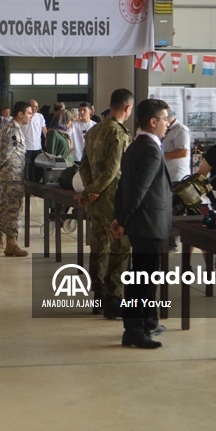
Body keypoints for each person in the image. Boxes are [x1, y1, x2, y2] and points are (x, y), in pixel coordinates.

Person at [111, 98, 172, 349]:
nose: (168, 124)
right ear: (153, 121)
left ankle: (147, 320)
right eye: (165, 119)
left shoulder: (136, 145)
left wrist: (119, 216)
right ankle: (133, 328)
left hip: (142, 222)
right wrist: (123, 220)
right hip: (147, 222)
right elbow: (138, 190)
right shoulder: (148, 148)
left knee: (145, 275)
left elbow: (122, 188)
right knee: (142, 278)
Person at [77, 89, 134, 318]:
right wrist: (95, 191)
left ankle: (98, 296)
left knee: (99, 248)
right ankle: (114, 299)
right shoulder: (118, 133)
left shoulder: (94, 130)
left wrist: (90, 191)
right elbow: (113, 171)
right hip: (112, 201)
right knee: (120, 248)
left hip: (96, 202)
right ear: (127, 108)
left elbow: (82, 165)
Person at [0, 101, 31, 257]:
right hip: (13, 175)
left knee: (4, 207)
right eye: (29, 113)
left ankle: (0, 242)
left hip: (6, 175)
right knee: (13, 209)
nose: (31, 116)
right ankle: (11, 243)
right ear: (20, 114)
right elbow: (6, 154)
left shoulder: (7, 128)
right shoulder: (13, 130)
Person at [162, 111, 191, 185]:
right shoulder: (167, 129)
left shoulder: (181, 129)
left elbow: (183, 152)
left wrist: (160, 156)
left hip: (177, 178)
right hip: (166, 177)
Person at [23, 99, 46, 164]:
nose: (36, 108)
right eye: (34, 106)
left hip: (37, 147)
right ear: (29, 106)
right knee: (27, 167)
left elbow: (44, 129)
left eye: (37, 106)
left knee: (37, 168)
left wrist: (47, 140)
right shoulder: (24, 116)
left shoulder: (40, 116)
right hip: (26, 147)